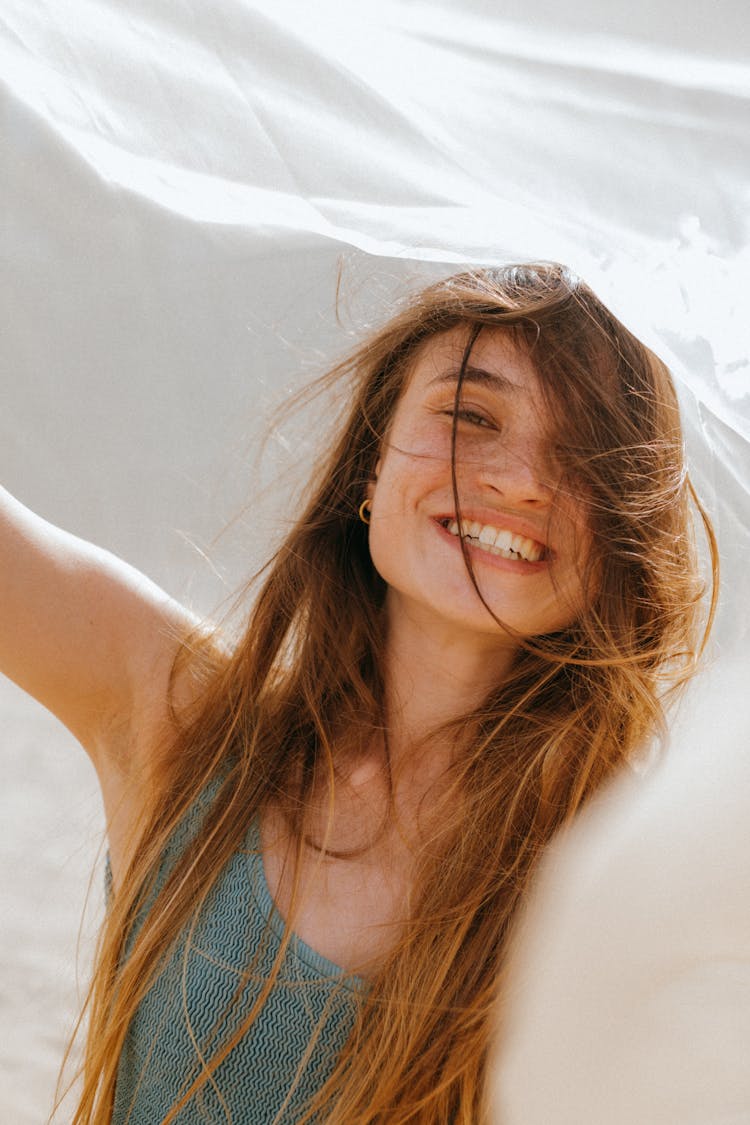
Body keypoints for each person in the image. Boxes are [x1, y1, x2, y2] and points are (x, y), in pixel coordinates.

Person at [2, 262, 716, 1124]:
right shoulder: (184, 717)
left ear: (623, 534)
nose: (522, 480)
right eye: (471, 416)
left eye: (584, 453)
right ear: (371, 468)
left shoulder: (608, 884)